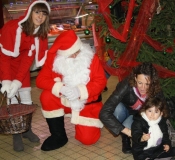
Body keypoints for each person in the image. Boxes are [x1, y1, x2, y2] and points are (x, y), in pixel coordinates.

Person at [36, 30, 107, 151]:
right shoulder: (55, 60)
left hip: (87, 104)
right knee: (46, 96)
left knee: (88, 140)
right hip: (65, 101)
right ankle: (59, 135)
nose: (75, 56)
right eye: (71, 54)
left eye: (77, 51)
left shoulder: (91, 57)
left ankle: (89, 126)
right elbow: (40, 80)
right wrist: (60, 88)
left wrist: (80, 91)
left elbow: (101, 82)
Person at [0, 0, 51, 152]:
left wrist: (18, 80)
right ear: (30, 12)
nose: (40, 16)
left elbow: (28, 60)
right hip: (5, 65)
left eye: (44, 14)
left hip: (21, 69)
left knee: (27, 101)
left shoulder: (38, 34)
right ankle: (16, 134)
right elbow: (4, 57)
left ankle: (26, 129)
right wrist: (8, 81)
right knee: (12, 100)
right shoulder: (12, 28)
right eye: (37, 12)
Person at [99, 62, 163, 154]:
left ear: (152, 82)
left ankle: (130, 133)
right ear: (135, 78)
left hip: (139, 116)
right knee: (117, 110)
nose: (143, 88)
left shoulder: (156, 90)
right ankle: (125, 136)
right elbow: (104, 112)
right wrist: (128, 132)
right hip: (124, 110)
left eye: (147, 84)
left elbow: (162, 112)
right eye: (140, 83)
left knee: (139, 122)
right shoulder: (126, 84)